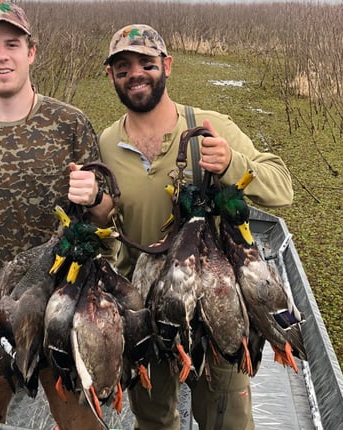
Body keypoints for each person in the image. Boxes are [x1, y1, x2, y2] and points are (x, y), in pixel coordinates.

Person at [99, 24, 293, 430]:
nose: (135, 73)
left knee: (227, 420)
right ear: (112, 76)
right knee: (152, 419)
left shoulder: (208, 125)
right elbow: (108, 231)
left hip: (216, 304)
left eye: (147, 63)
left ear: (167, 66)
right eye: (123, 67)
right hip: (147, 306)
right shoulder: (105, 145)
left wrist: (231, 165)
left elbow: (281, 188)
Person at [0, 2, 111, 428]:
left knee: (84, 424)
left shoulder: (70, 123)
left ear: (31, 51)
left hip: (62, 308)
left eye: (12, 43)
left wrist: (95, 194)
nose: (1, 55)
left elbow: (104, 216)